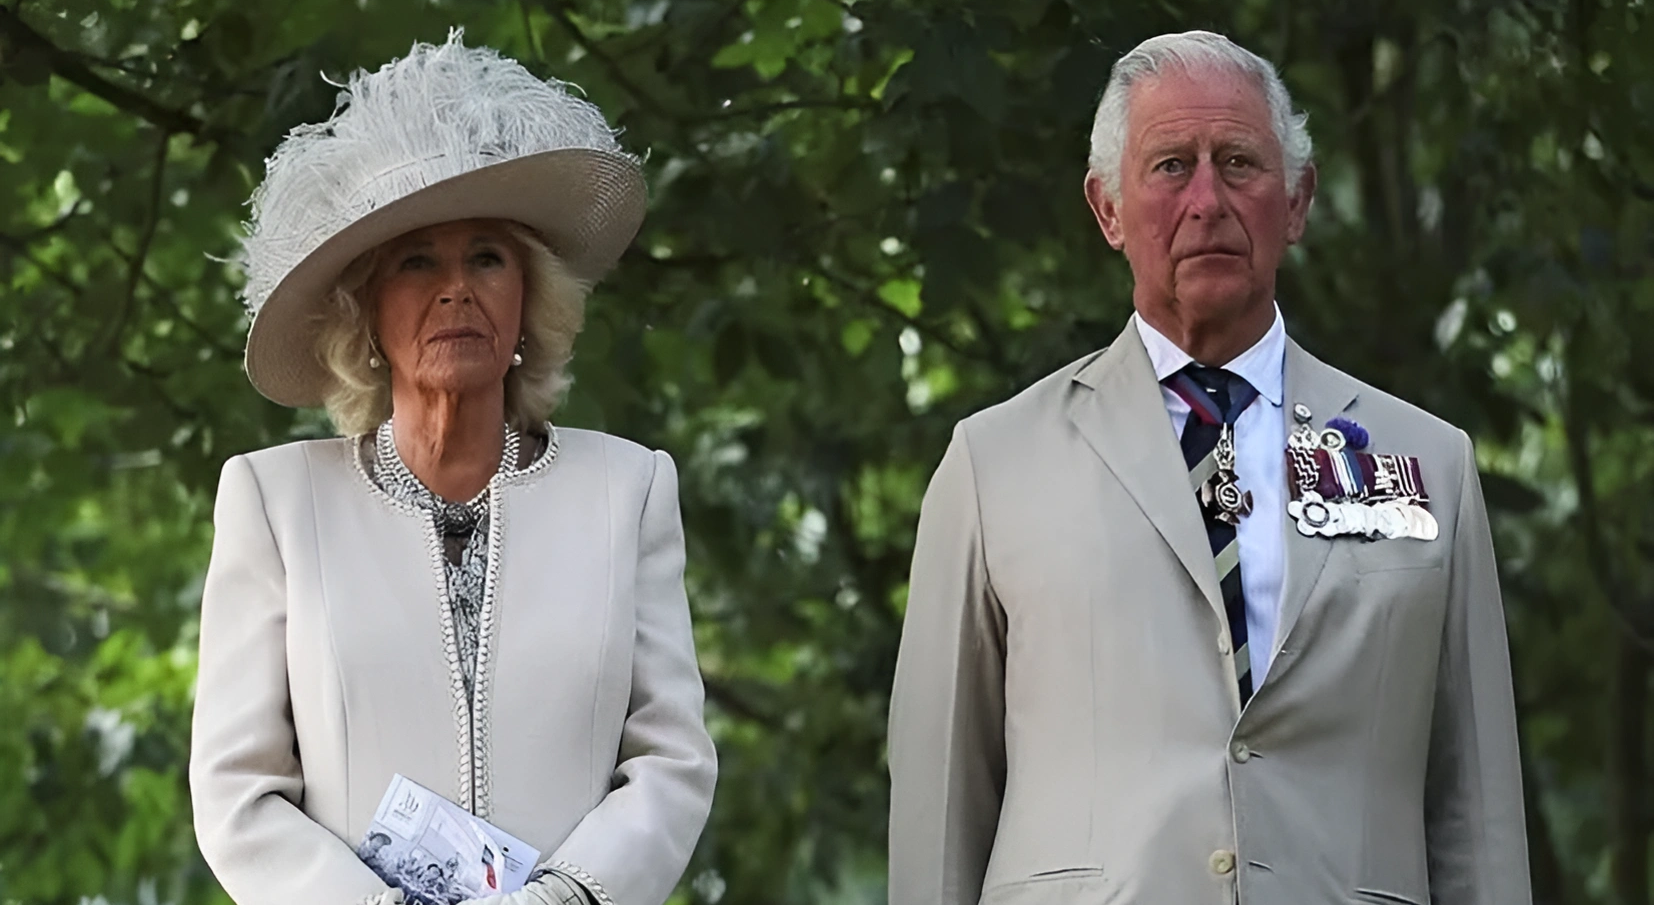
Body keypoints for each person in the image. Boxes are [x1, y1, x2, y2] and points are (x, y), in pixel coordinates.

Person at [887, 30, 1529, 905]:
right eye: (1169, 166)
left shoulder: (1428, 461)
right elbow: (939, 806)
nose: (1206, 199)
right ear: (1107, 208)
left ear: (1296, 202)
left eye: (1238, 162)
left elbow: (1477, 806)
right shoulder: (991, 465)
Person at [188, 31, 717, 905]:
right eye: (417, 260)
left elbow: (672, 760)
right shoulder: (275, 502)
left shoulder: (628, 491)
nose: (455, 288)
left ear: (528, 296)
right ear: (366, 310)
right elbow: (236, 791)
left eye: (486, 257)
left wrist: (563, 898)